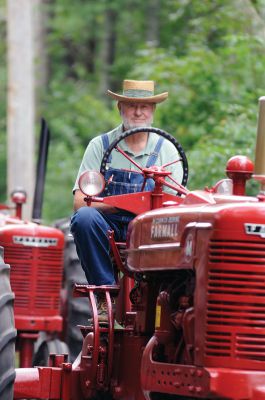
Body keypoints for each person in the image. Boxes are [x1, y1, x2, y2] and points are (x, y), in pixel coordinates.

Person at [70, 79, 183, 323]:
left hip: (148, 229)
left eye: (145, 106)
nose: (138, 112)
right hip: (107, 225)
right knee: (84, 218)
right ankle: (104, 296)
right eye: (131, 105)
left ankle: (165, 300)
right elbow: (80, 202)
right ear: (120, 108)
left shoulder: (167, 150)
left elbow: (178, 204)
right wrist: (123, 203)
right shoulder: (100, 146)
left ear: (153, 110)